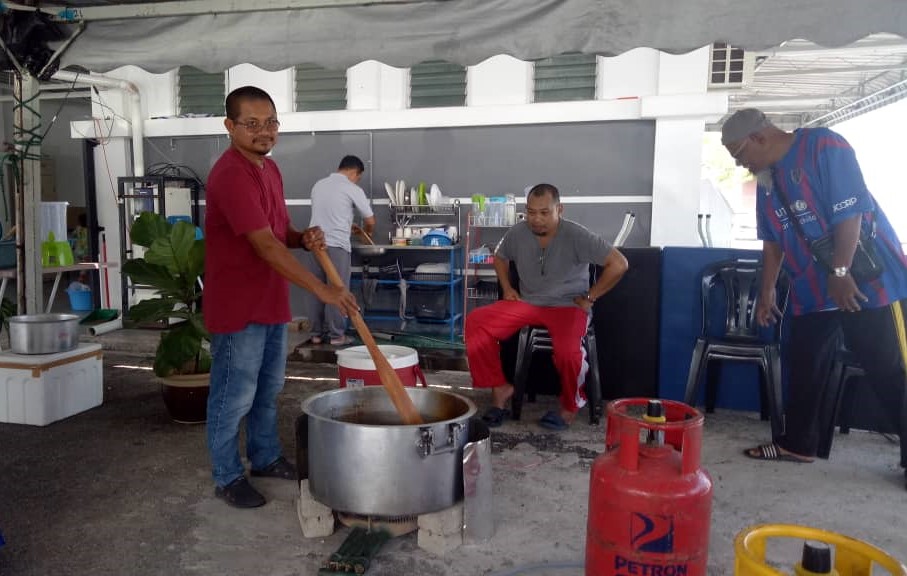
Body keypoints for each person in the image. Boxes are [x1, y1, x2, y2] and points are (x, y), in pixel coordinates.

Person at [721, 108, 907, 488]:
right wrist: (768, 289)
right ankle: (798, 445)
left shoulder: (824, 146)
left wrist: (840, 272)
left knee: (888, 369)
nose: (742, 166)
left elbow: (850, 213)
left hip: (866, 283)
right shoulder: (767, 181)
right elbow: (771, 240)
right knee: (804, 363)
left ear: (760, 138)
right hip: (811, 288)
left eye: (741, 156)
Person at [204, 86, 359, 508]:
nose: (264, 132)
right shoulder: (231, 173)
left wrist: (302, 238)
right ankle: (227, 475)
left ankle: (265, 456)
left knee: (268, 387)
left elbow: (278, 235)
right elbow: (265, 247)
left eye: (271, 123)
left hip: (270, 301)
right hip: (238, 306)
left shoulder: (268, 170)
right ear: (229, 126)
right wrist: (322, 289)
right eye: (251, 124)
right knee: (233, 392)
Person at [465, 184, 628, 430]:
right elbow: (499, 256)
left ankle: (570, 406)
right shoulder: (518, 232)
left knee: (568, 354)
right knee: (476, 322)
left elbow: (619, 263)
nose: (536, 219)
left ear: (559, 209)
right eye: (531, 212)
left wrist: (590, 297)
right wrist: (508, 288)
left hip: (568, 306)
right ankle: (500, 389)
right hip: (529, 303)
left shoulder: (577, 234)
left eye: (544, 213)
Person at [302, 155, 376, 346]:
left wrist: (346, 224)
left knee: (316, 290)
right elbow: (370, 220)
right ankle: (336, 336)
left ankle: (316, 334)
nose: (357, 180)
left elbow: (328, 213)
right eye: (358, 177)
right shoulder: (352, 188)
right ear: (354, 172)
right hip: (336, 247)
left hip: (314, 246)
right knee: (338, 290)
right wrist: (366, 234)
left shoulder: (319, 185)